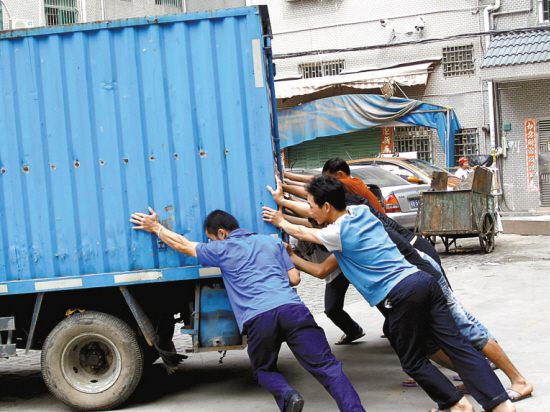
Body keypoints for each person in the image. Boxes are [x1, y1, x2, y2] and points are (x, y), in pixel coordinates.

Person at [262, 175, 514, 412]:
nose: (309, 210)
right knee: (458, 345)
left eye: (311, 205)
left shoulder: (336, 233)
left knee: (413, 360)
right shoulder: (360, 212)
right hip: (424, 281)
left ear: (327, 207)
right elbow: (312, 218)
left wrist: (280, 220)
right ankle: (500, 403)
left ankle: (457, 404)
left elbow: (303, 232)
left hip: (401, 293)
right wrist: (284, 201)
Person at [130, 207, 365, 412]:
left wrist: (156, 227)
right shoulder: (272, 242)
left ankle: (288, 396)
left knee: (263, 369)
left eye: (211, 238)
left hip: (259, 318)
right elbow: (294, 279)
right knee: (328, 368)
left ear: (221, 234)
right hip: (293, 310)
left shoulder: (221, 249)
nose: (211, 243)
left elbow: (182, 245)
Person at [290, 218, 365, 345]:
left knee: (377, 295)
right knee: (332, 310)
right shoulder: (294, 239)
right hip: (331, 274)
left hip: (344, 266)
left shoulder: (324, 229)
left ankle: (393, 325)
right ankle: (353, 330)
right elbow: (298, 258)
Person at [285, 157, 386, 215]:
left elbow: (315, 183)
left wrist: (286, 180)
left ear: (340, 174)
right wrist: (287, 181)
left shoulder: (350, 184)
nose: (325, 182)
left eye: (328, 178)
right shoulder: (352, 184)